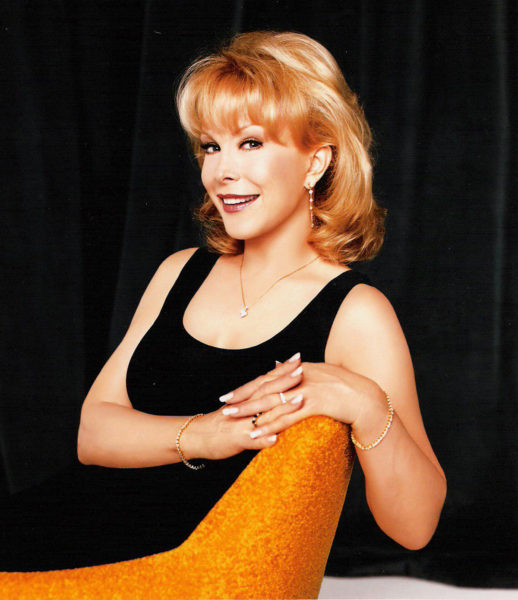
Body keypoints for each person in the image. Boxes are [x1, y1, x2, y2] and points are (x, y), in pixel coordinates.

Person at [77, 29, 446, 563]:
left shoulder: (356, 313)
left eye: (250, 143)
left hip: (185, 574)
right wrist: (207, 435)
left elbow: (416, 527)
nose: (222, 172)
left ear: (316, 162)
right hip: (78, 528)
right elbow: (92, 435)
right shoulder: (178, 272)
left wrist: (367, 404)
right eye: (211, 146)